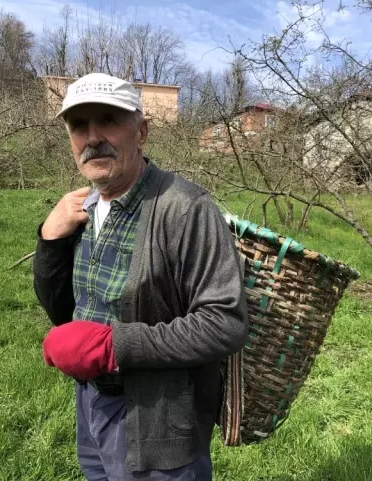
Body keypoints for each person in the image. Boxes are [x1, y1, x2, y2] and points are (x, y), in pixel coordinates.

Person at [32, 72, 249, 481]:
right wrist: (50, 239)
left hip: (157, 421)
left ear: (142, 131)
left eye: (109, 121)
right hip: (92, 403)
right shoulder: (84, 206)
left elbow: (225, 323)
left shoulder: (184, 208)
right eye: (79, 126)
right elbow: (62, 309)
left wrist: (115, 348)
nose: (92, 137)